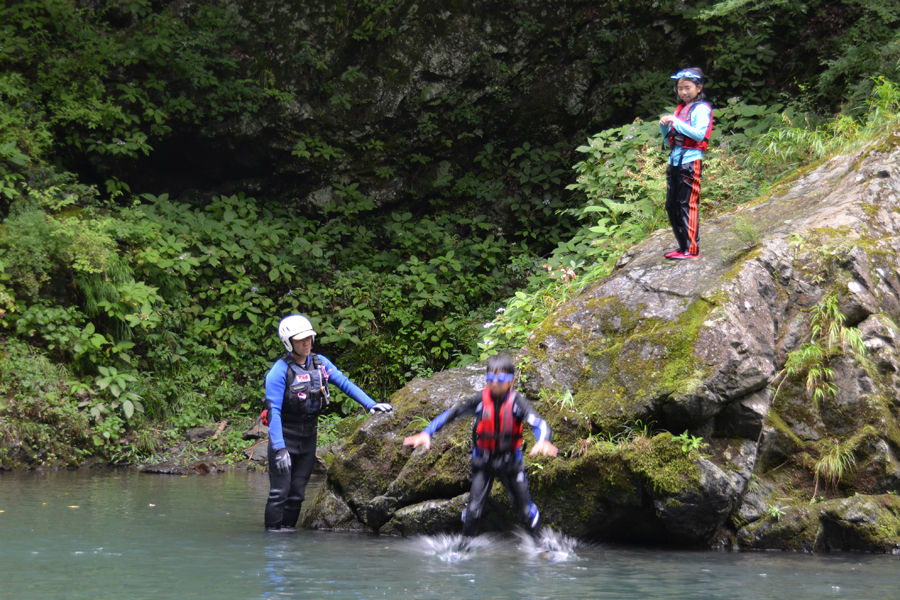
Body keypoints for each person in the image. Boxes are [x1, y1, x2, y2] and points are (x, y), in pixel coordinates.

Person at [402, 353, 558, 545]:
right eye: (490, 379)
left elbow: (539, 423)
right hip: (484, 461)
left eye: (501, 379)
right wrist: (427, 432)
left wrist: (543, 440)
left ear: (511, 381)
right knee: (473, 511)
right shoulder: (481, 400)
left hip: (510, 463)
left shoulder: (518, 403)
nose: (495, 383)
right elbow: (453, 413)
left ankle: (543, 546)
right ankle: (463, 549)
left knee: (525, 512)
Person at [263, 314, 392, 532]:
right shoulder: (279, 371)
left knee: (297, 495)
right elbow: (273, 411)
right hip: (284, 438)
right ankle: (272, 539)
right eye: (300, 340)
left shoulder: (320, 363)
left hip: (308, 439)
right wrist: (279, 448)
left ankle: (288, 536)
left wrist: (371, 405)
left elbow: (344, 383)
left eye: (309, 338)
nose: (306, 343)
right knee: (280, 494)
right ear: (288, 342)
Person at [659, 67, 714, 260]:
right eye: (680, 88)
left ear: (699, 88)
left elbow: (699, 134)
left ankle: (692, 250)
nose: (683, 92)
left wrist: (675, 121)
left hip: (690, 162)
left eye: (688, 87)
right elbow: (669, 142)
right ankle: (682, 247)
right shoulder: (680, 109)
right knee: (671, 205)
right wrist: (664, 126)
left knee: (687, 204)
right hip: (674, 160)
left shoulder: (701, 109)